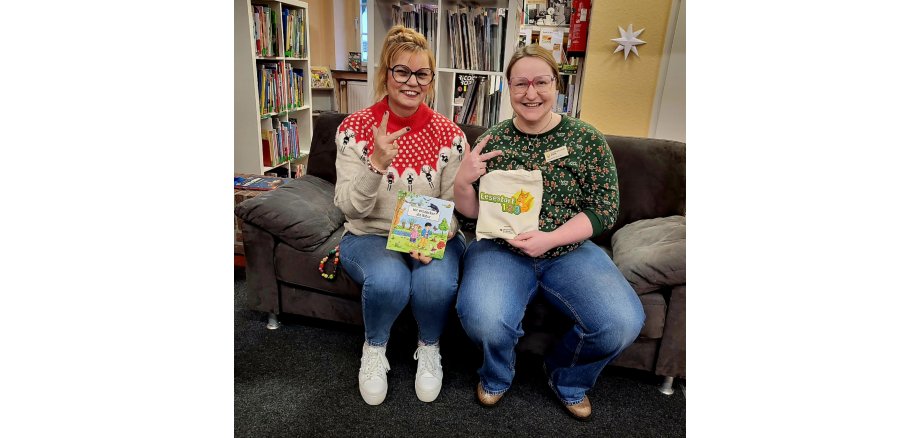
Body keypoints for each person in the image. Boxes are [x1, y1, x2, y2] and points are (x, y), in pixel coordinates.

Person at [452, 44, 645, 421]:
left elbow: (604, 208)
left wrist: (551, 238)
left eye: (541, 82)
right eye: (520, 83)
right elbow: (474, 214)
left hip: (568, 251)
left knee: (621, 322)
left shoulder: (586, 139)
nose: (531, 93)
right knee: (482, 317)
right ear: (508, 87)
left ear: (557, 84)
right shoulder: (492, 140)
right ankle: (497, 375)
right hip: (500, 250)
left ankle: (566, 377)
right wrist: (462, 181)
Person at [333, 25, 468, 406]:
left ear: (431, 79)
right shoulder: (353, 129)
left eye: (422, 74)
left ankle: (429, 347)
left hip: (430, 234)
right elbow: (349, 207)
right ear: (385, 74)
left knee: (435, 283)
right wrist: (376, 163)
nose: (412, 82)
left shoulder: (451, 136)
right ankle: (374, 349)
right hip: (370, 235)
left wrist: (432, 236)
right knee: (389, 280)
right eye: (402, 72)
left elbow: (455, 207)